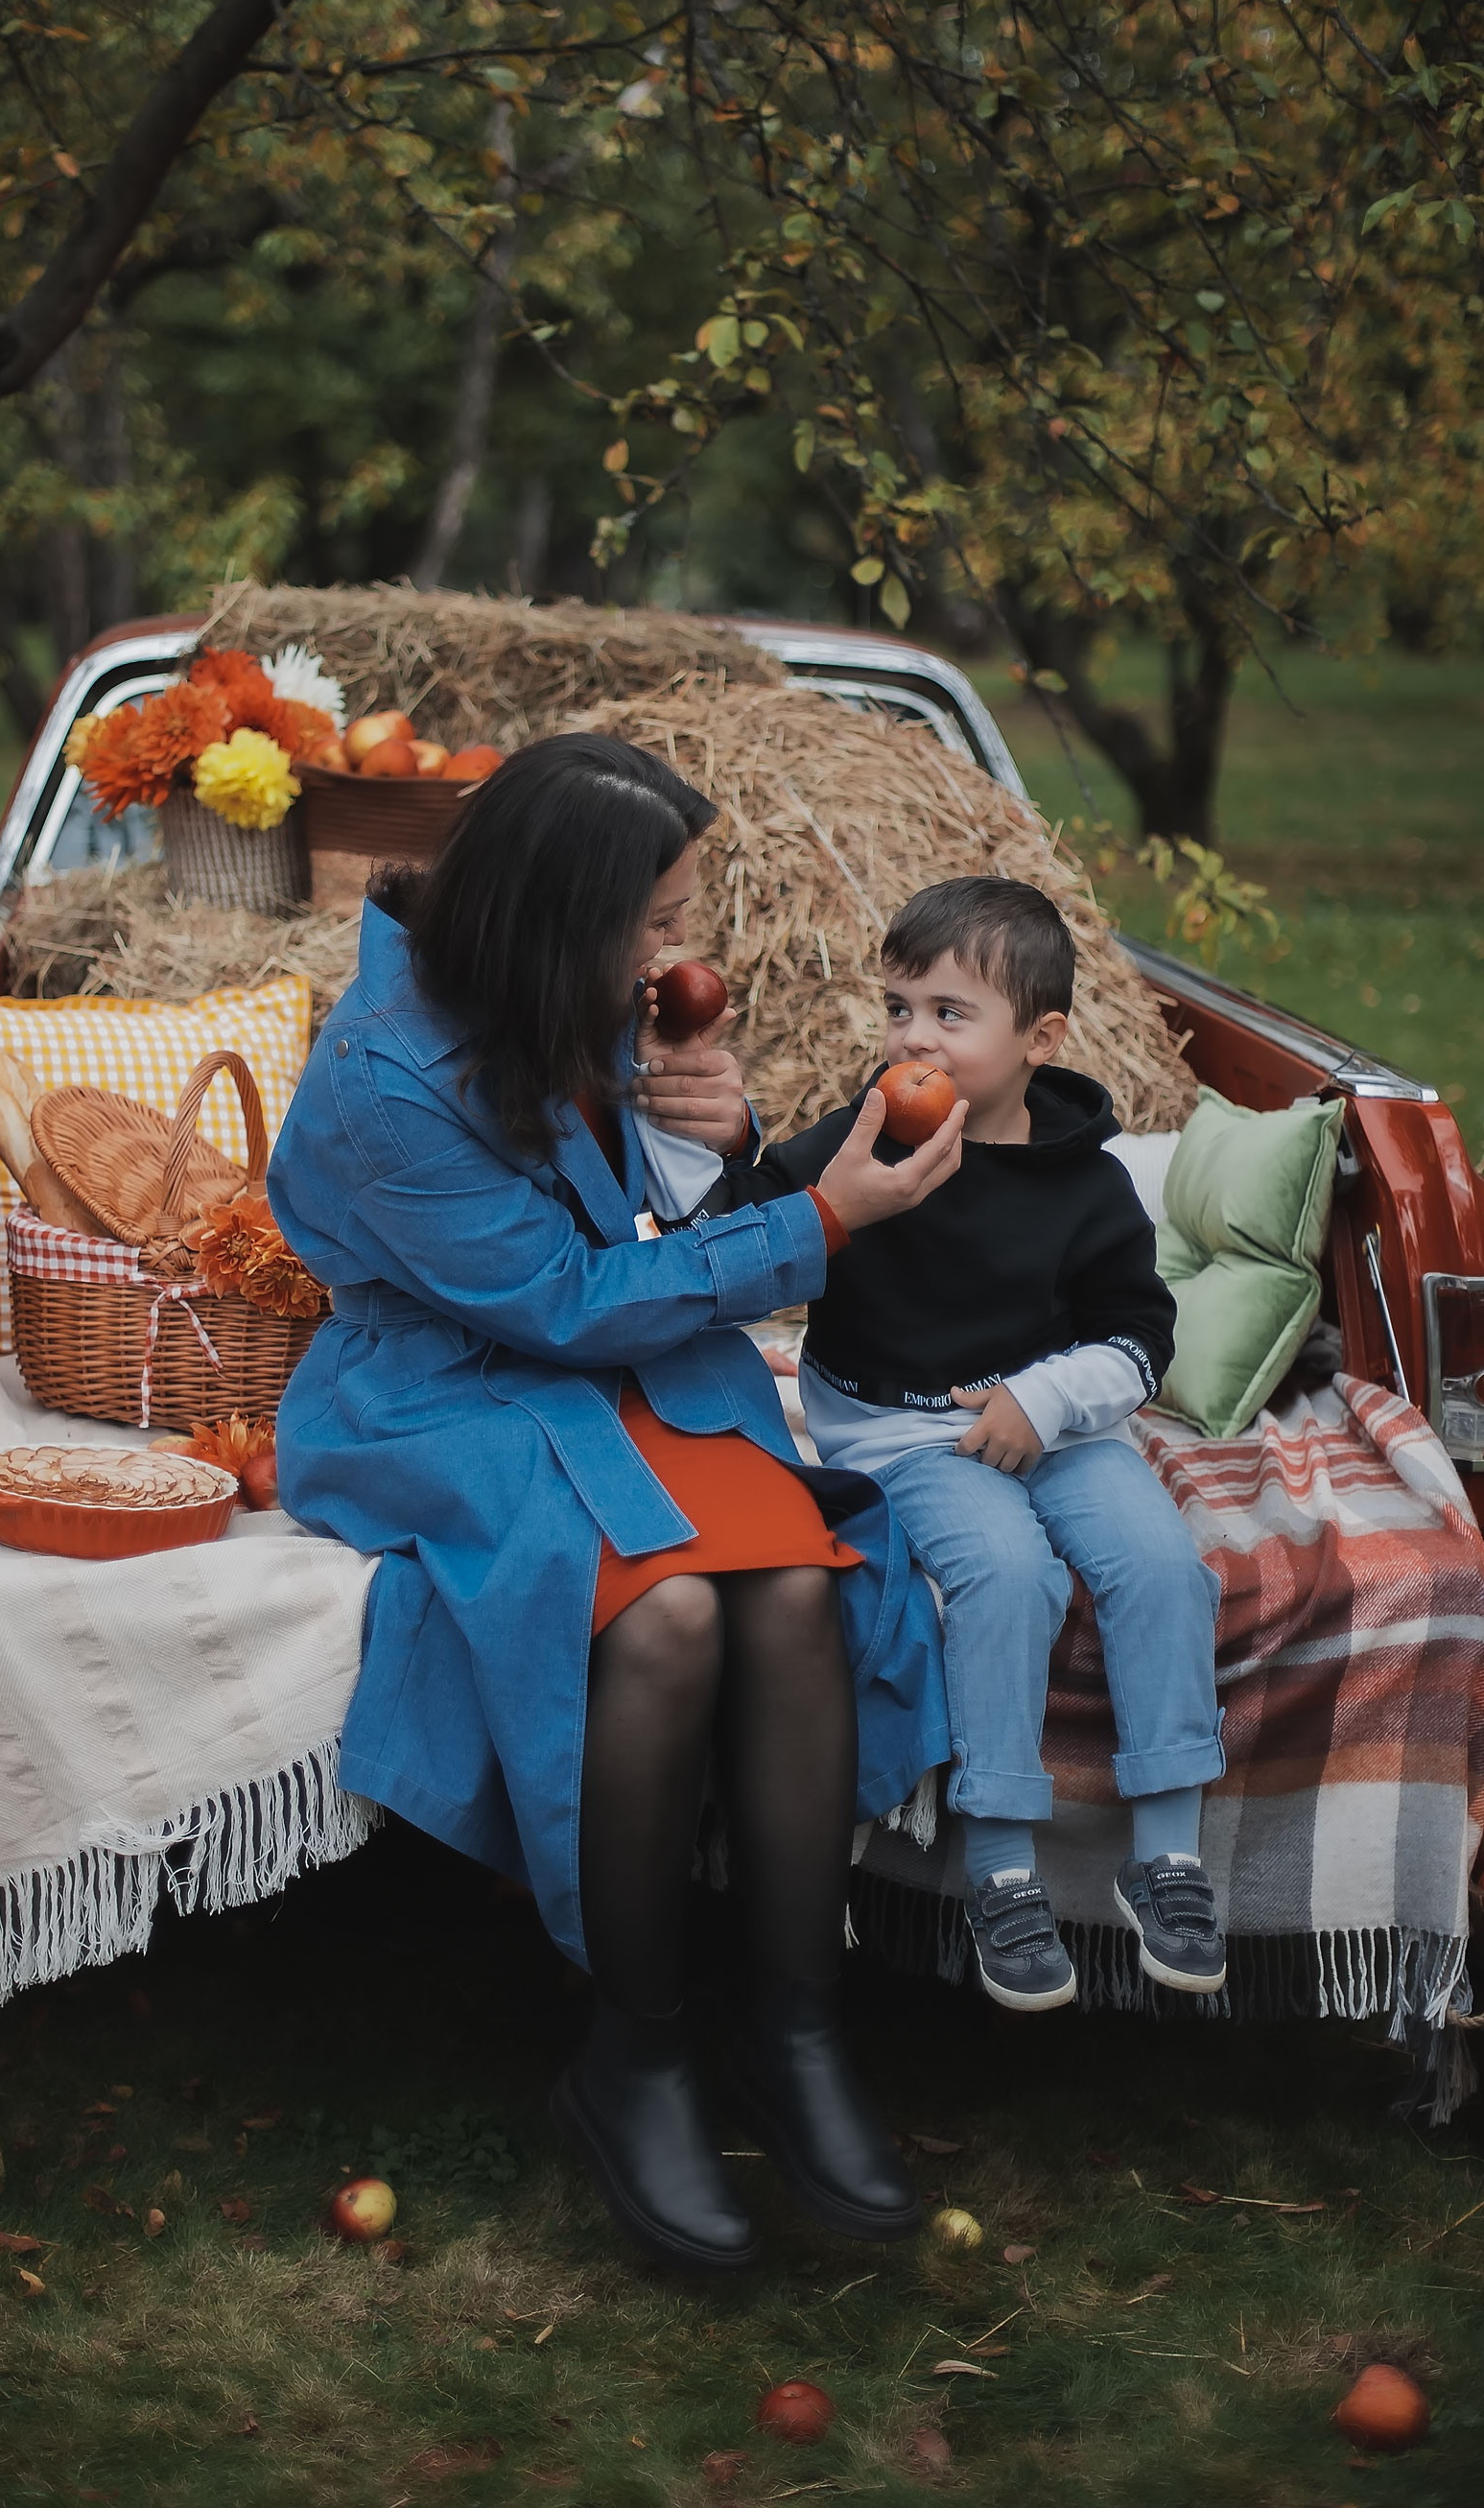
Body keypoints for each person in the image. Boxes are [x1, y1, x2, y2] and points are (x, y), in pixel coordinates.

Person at [269, 735, 965, 2273]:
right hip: (447, 1391)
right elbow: (566, 1296)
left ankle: (796, 2035)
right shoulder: (385, 1075)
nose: (679, 953)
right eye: (657, 922)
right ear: (556, 915)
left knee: (794, 1589)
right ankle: (630, 2056)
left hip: (600, 1356)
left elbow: (641, 1223)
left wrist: (716, 1143)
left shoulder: (557, 996)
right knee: (654, 1626)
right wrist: (821, 1221)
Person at [717, 876, 1227, 2013]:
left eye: (950, 1014)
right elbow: (748, 1210)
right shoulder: (869, 1134)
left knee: (1159, 1565)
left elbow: (1140, 1337)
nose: (911, 1036)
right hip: (905, 1434)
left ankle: (1168, 1855)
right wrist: (720, 1140)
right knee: (1004, 1574)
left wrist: (1040, 1404)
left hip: (1056, 1423)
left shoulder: (1086, 1186)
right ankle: (1000, 1864)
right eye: (899, 1007)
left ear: (1038, 1038)